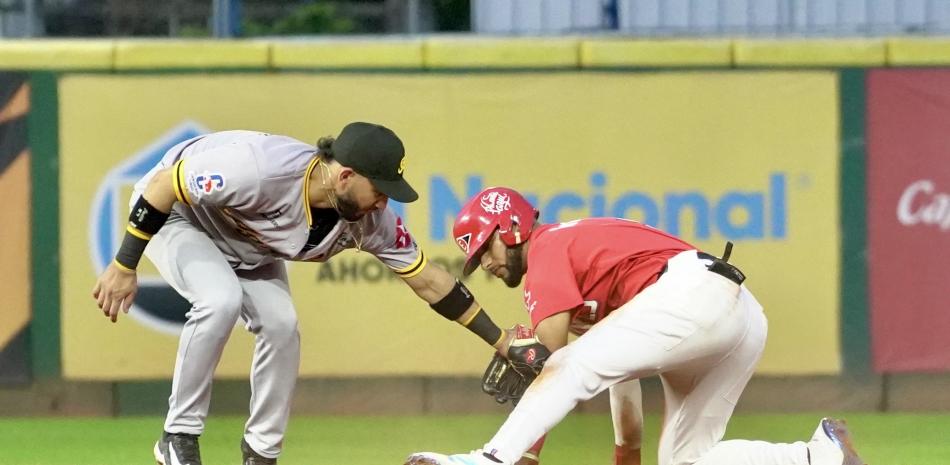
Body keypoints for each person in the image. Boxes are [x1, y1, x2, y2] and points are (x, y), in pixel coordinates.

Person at [91, 124, 539, 465]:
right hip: (178, 217)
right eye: (379, 191)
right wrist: (123, 264)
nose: (384, 203)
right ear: (344, 175)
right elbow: (164, 186)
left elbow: (428, 280)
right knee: (220, 299)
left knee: (282, 325)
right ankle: (178, 437)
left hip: (248, 244)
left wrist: (502, 342)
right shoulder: (259, 168)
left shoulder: (369, 220)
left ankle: (261, 453)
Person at [406, 187, 865, 465]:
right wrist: (626, 456)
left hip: (693, 294)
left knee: (567, 363)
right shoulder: (596, 294)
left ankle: (489, 458)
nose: (484, 263)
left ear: (510, 228)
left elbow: (551, 362)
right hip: (738, 314)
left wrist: (523, 453)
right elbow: (616, 384)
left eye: (486, 248)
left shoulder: (547, 249)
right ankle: (818, 454)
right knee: (685, 460)